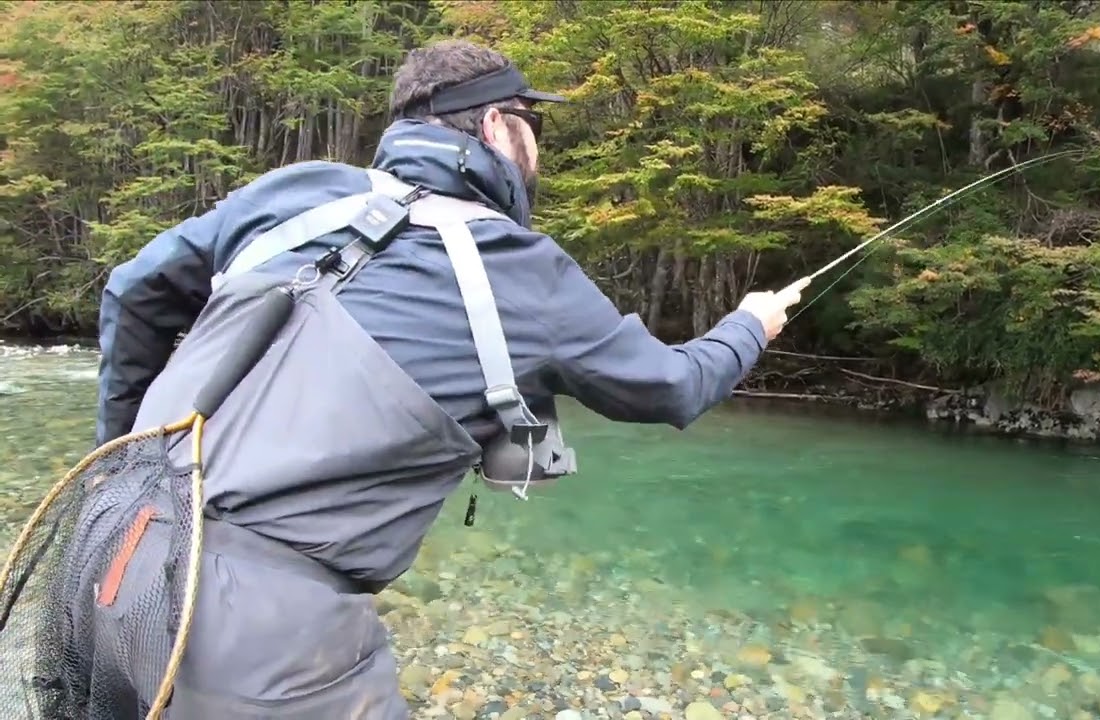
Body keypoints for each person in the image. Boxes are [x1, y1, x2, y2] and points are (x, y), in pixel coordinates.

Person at [80, 39, 806, 718]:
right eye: (532, 126)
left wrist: (120, 469)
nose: (536, 151)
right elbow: (674, 386)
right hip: (257, 634)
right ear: (495, 125)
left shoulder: (295, 193)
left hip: (105, 557)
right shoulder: (519, 266)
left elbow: (133, 291)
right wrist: (750, 323)